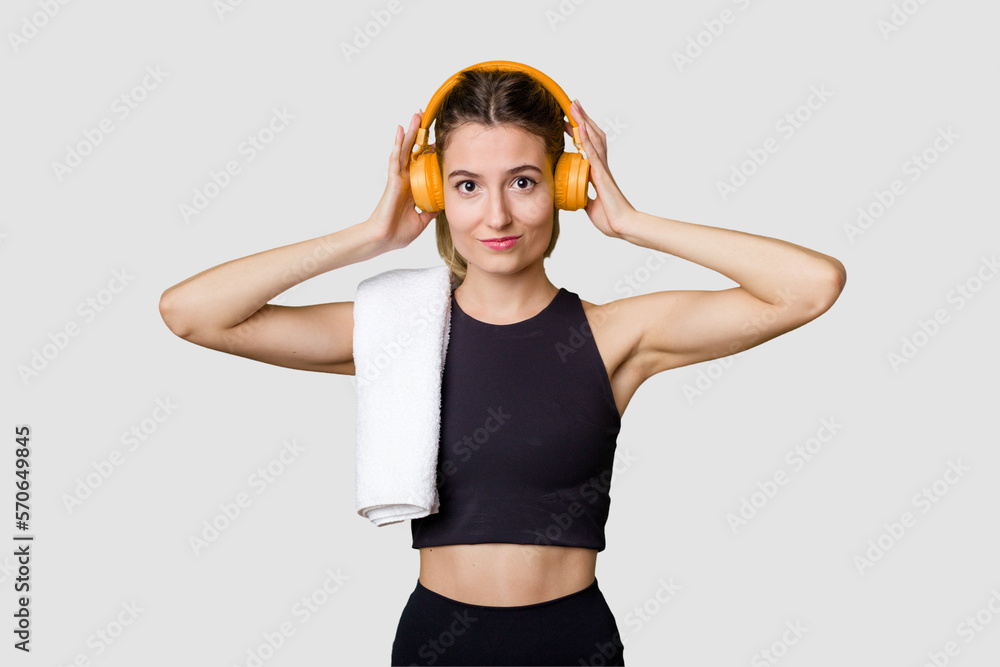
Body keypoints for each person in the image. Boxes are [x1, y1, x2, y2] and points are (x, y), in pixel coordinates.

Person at [159, 64, 846, 666]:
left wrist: (633, 221)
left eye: (523, 181)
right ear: (432, 193)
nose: (497, 214)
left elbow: (810, 286)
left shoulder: (614, 335)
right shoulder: (398, 332)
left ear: (566, 185)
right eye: (464, 185)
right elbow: (192, 312)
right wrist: (366, 236)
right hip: (439, 642)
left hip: (573, 641)